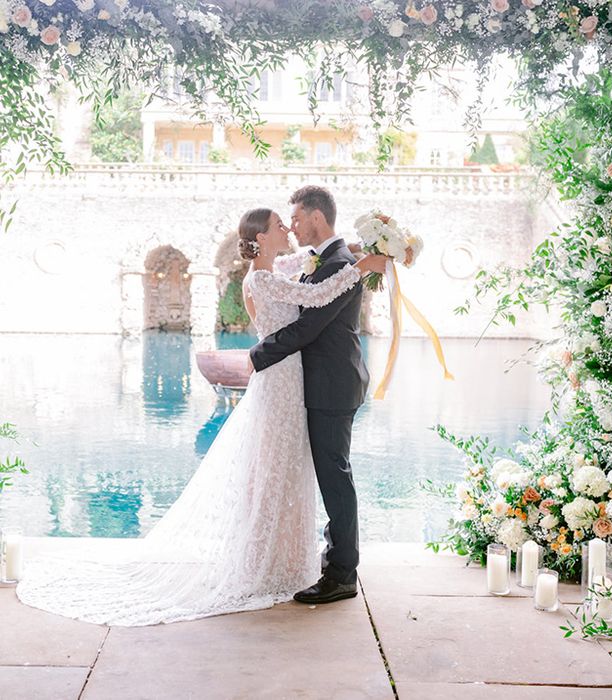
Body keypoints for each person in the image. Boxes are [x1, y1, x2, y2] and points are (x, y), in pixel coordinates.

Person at [14, 204, 386, 626]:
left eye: (292, 220)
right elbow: (315, 295)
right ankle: (268, 562)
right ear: (261, 238)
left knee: (285, 470)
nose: (288, 227)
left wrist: (354, 249)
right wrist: (361, 267)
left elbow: (307, 262)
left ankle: (284, 558)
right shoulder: (263, 277)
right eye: (281, 225)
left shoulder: (279, 264)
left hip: (295, 379)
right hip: (281, 379)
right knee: (274, 468)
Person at [250, 185, 370, 605]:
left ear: (317, 217)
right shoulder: (325, 260)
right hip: (322, 383)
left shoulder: (339, 263)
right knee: (330, 475)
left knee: (335, 478)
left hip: (332, 384)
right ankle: (334, 557)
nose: (294, 227)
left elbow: (308, 328)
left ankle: (342, 575)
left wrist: (256, 357)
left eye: (297, 218)